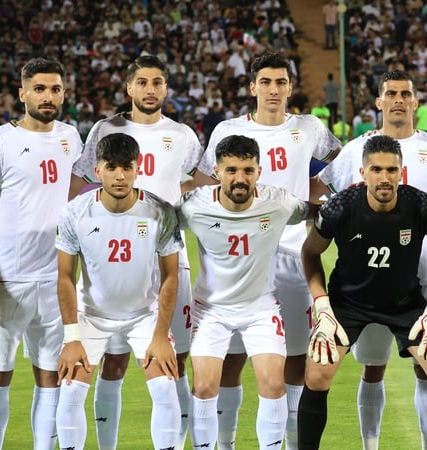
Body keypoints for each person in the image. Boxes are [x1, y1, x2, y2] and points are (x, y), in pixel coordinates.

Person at [314, 69, 427, 450]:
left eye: (406, 93)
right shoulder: (357, 148)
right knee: (373, 367)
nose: (399, 99)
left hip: (422, 273)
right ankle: (371, 444)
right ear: (379, 102)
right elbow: (323, 191)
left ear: (416, 103)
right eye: (391, 93)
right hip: (368, 275)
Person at [197, 52, 340, 450]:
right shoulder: (228, 130)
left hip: (294, 256)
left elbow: (336, 168)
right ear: (252, 86)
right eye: (266, 82)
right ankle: (224, 443)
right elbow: (204, 185)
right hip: (239, 260)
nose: (273, 89)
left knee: (293, 359)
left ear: (290, 87)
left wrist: (319, 198)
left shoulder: (310, 128)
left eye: (281, 82)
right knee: (230, 360)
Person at [69, 54, 209, 449]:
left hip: (167, 260)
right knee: (111, 363)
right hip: (111, 263)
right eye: (142, 82)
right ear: (129, 88)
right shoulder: (105, 129)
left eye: (158, 82)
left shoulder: (182, 135)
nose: (150, 89)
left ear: (166, 88)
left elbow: (198, 185)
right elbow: (78, 182)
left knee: (172, 361)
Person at [0, 57, 83, 450]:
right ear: (22, 93)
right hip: (5, 280)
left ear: (63, 93)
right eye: (40, 89)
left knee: (50, 376)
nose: (48, 97)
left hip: (55, 280)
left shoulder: (71, 137)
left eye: (55, 89)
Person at [178, 134, 311, 449]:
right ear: (217, 171)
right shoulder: (194, 206)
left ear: (259, 172)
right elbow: (158, 224)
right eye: (232, 170)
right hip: (210, 311)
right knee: (205, 386)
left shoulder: (278, 203)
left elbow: (313, 213)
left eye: (248, 170)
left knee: (272, 383)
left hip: (261, 310)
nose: (240, 178)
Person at [55, 133, 183, 450]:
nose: (120, 175)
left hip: (144, 316)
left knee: (167, 387)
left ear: (138, 168)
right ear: (98, 170)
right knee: (70, 390)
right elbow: (65, 277)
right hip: (92, 316)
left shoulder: (160, 212)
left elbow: (170, 277)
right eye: (111, 167)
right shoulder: (75, 212)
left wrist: (161, 335)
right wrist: (72, 337)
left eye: (127, 166)